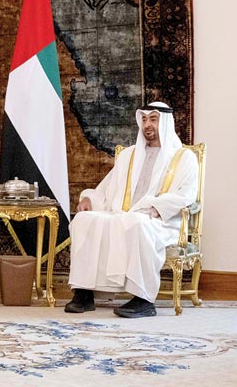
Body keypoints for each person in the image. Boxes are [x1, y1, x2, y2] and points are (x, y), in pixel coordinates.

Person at [65, 102, 199, 318]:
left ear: (165, 123)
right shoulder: (129, 155)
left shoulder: (184, 158)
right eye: (144, 119)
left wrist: (157, 207)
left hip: (160, 221)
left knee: (137, 223)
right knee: (84, 220)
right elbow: (106, 187)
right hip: (122, 213)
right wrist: (89, 198)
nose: (147, 125)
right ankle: (83, 293)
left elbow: (187, 195)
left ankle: (143, 300)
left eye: (153, 119)